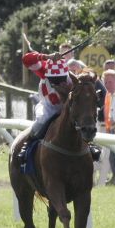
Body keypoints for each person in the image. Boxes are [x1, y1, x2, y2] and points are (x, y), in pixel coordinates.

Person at [18, 42, 74, 173]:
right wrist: (46, 57)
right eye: (53, 79)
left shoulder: (71, 78)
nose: (57, 82)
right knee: (41, 119)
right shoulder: (44, 70)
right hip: (47, 106)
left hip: (66, 107)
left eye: (60, 79)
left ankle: (90, 144)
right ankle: (27, 144)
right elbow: (26, 59)